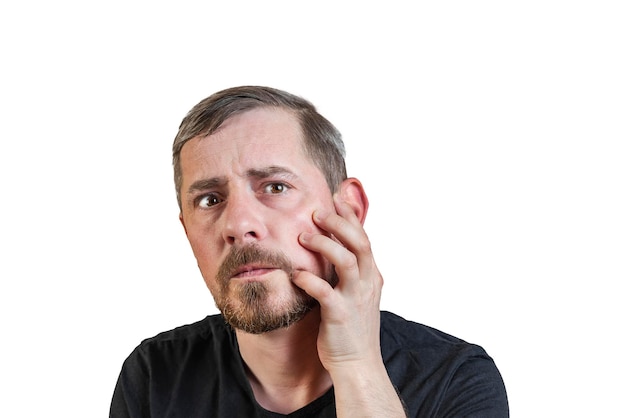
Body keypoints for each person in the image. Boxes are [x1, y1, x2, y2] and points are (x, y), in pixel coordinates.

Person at [110, 86, 509, 417]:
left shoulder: (455, 380)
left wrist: (356, 364)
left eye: (275, 187)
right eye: (210, 200)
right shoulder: (153, 376)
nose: (237, 225)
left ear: (348, 210)